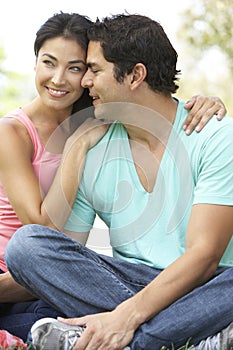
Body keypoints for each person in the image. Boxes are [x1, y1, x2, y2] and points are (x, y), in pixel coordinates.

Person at [4, 13, 233, 349]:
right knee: (27, 246)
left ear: (136, 75)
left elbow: (204, 256)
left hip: (206, 283)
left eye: (92, 70)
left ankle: (129, 338)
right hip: (127, 282)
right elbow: (61, 250)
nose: (83, 82)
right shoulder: (92, 146)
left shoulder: (214, 136)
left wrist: (125, 317)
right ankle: (194, 334)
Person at [0, 11, 111, 341]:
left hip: (53, 275)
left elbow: (154, 109)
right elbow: (39, 227)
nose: (58, 79)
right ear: (35, 63)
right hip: (15, 272)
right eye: (49, 62)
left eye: (74, 68)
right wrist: (77, 147)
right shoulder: (13, 133)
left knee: (65, 317)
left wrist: (200, 104)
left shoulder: (96, 117)